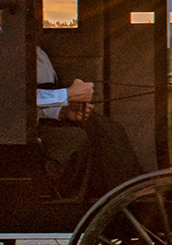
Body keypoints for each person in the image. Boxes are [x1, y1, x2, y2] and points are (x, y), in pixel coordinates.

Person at [37, 48, 145, 198]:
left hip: (39, 118)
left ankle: (130, 191)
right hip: (21, 131)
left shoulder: (38, 52)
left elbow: (33, 105)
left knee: (106, 127)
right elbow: (17, 98)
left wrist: (63, 112)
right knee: (75, 139)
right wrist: (68, 94)